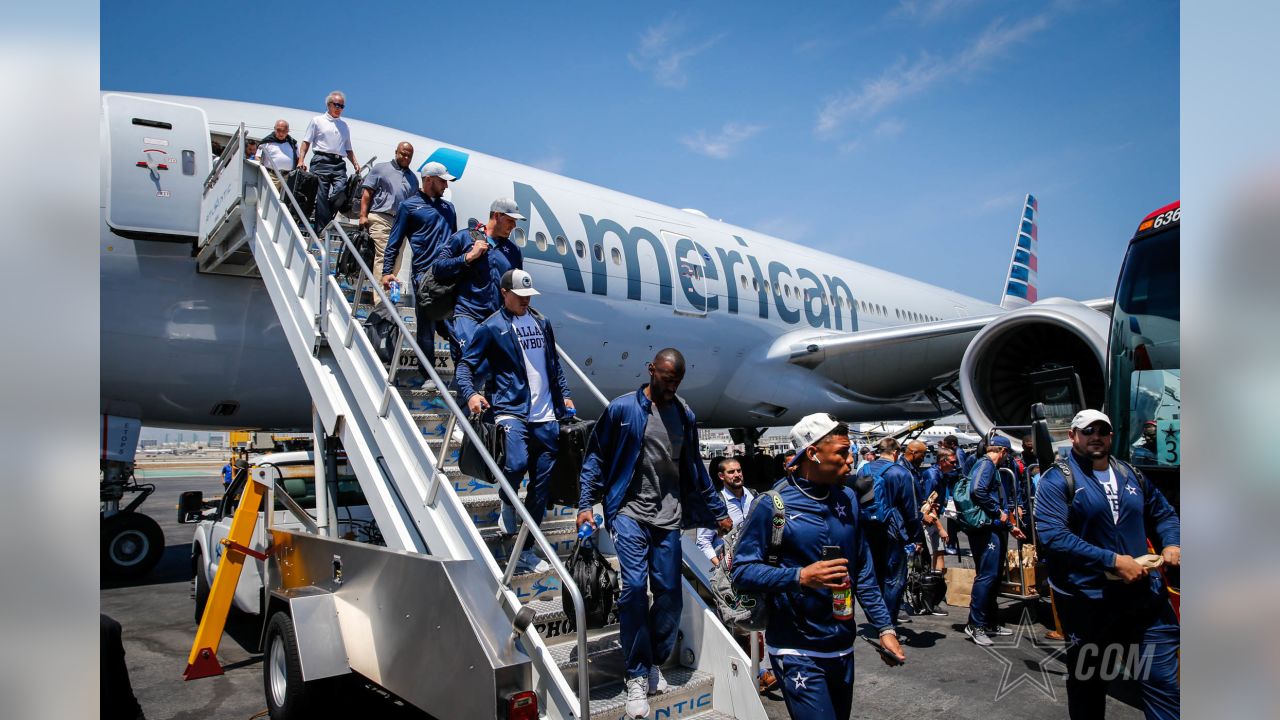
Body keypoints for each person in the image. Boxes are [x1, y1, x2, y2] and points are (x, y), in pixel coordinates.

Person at [576, 348, 731, 719]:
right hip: (628, 512)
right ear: (650, 371)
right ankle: (635, 674)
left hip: (669, 516)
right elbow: (595, 456)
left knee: (670, 596)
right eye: (665, 377)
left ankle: (654, 659)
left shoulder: (684, 414)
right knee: (632, 589)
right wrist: (585, 503)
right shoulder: (623, 409)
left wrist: (719, 511)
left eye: (676, 380)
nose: (670, 385)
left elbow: (695, 466)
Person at [732, 414, 905, 720]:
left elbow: (862, 570)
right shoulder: (772, 504)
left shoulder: (848, 498)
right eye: (841, 452)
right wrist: (801, 576)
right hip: (797, 649)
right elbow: (742, 571)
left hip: (841, 645)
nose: (851, 460)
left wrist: (885, 628)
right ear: (812, 453)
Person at [1035, 409, 1180, 719]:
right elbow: (1053, 536)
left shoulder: (1132, 474)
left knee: (1162, 683)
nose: (1096, 436)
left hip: (1145, 599)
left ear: (1111, 436)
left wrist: (1172, 542)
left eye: (1103, 430)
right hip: (1091, 603)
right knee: (1088, 687)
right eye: (1088, 431)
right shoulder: (1057, 480)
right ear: (1073, 436)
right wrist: (1112, 560)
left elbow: (1164, 513)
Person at [456, 270, 574, 573]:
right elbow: (465, 367)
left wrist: (565, 397)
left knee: (540, 490)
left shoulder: (541, 322)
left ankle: (526, 550)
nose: (525, 301)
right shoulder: (491, 327)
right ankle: (508, 501)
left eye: (529, 296)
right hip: (512, 409)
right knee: (516, 463)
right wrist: (470, 394)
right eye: (520, 296)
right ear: (504, 293)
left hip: (547, 416)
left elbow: (553, 365)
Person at [380, 162, 458, 369]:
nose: (446, 187)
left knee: (456, 328)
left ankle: (462, 378)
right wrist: (387, 271)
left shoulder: (449, 208)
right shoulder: (409, 206)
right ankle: (428, 376)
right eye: (442, 182)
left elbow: (455, 242)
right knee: (426, 327)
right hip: (424, 275)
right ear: (428, 180)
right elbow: (394, 242)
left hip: (449, 274)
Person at [432, 197, 526, 367]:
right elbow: (438, 268)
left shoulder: (513, 251)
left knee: (492, 369)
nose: (514, 226)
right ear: (496, 216)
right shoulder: (464, 238)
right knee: (474, 362)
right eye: (510, 221)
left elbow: (517, 288)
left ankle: (461, 393)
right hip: (468, 313)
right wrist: (468, 257)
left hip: (496, 318)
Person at [962, 436, 1026, 646]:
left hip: (993, 528)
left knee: (993, 575)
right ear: (1003, 452)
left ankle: (988, 621)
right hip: (985, 529)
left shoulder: (988, 466)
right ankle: (976, 624)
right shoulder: (987, 465)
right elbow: (977, 490)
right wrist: (998, 513)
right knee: (987, 576)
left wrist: (1009, 526)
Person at [850, 437, 921, 626]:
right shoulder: (901, 473)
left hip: (867, 528)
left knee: (874, 574)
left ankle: (876, 615)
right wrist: (915, 536)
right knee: (895, 577)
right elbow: (911, 509)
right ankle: (887, 621)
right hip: (893, 530)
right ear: (896, 452)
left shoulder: (863, 470)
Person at [359, 142, 417, 297]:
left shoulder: (413, 179)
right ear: (396, 152)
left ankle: (393, 297)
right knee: (384, 258)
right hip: (380, 217)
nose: (405, 157)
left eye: (409, 155)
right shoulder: (381, 168)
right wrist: (363, 215)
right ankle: (381, 301)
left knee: (397, 261)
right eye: (403, 153)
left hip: (401, 224)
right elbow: (367, 193)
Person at [296, 91, 360, 232]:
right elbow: (306, 142)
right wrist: (301, 160)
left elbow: (348, 148)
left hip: (338, 163)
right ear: (329, 105)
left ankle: (325, 219)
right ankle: (321, 230)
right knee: (321, 196)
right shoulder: (317, 121)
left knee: (341, 192)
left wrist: (355, 162)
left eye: (342, 106)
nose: (339, 108)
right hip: (321, 160)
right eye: (336, 105)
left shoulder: (344, 126)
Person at [695, 457, 754, 565]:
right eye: (731, 472)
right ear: (721, 476)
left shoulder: (754, 496)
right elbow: (702, 541)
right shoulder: (715, 506)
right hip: (729, 565)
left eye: (739, 470)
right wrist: (720, 567)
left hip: (754, 561)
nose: (737, 475)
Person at [919, 447, 955, 578]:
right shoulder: (932, 476)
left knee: (939, 550)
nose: (954, 465)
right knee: (928, 555)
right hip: (928, 520)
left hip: (935, 517)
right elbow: (928, 504)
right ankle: (926, 585)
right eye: (952, 462)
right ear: (942, 461)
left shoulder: (940, 475)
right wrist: (940, 528)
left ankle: (938, 583)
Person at [256, 119, 297, 192]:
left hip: (288, 177)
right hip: (271, 176)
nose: (281, 133)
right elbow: (257, 157)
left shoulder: (293, 143)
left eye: (284, 131)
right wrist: (263, 171)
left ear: (288, 131)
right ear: (274, 129)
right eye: (278, 130)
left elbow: (298, 158)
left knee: (285, 201)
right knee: (270, 199)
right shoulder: (266, 142)